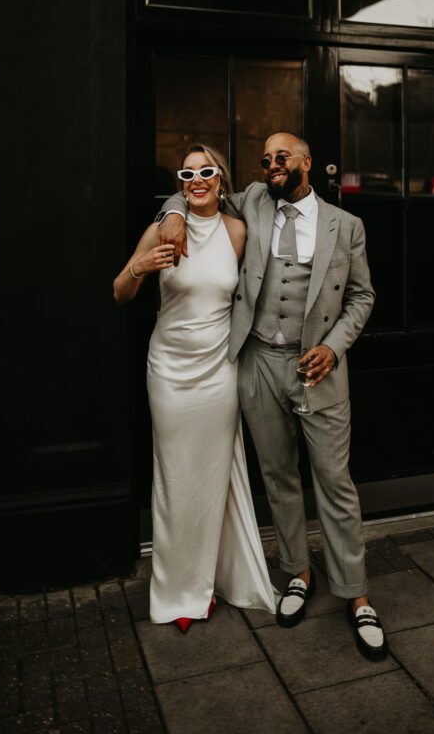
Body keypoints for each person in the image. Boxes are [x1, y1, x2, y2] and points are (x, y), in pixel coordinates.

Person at [157, 132, 386, 659]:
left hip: (317, 368)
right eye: (265, 160)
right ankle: (298, 574)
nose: (271, 165)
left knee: (334, 481)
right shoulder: (255, 199)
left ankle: (356, 595)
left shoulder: (345, 226)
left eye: (281, 157)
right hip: (257, 361)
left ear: (307, 161)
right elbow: (197, 189)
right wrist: (168, 214)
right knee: (279, 478)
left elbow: (362, 295)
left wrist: (333, 346)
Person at [114, 144, 276, 633]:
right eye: (188, 174)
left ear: (220, 179)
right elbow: (120, 290)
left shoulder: (238, 232)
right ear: (181, 183)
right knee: (174, 479)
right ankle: (175, 593)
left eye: (207, 171)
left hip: (219, 369)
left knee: (211, 479)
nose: (197, 179)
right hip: (169, 368)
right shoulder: (160, 226)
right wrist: (141, 267)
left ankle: (203, 587)